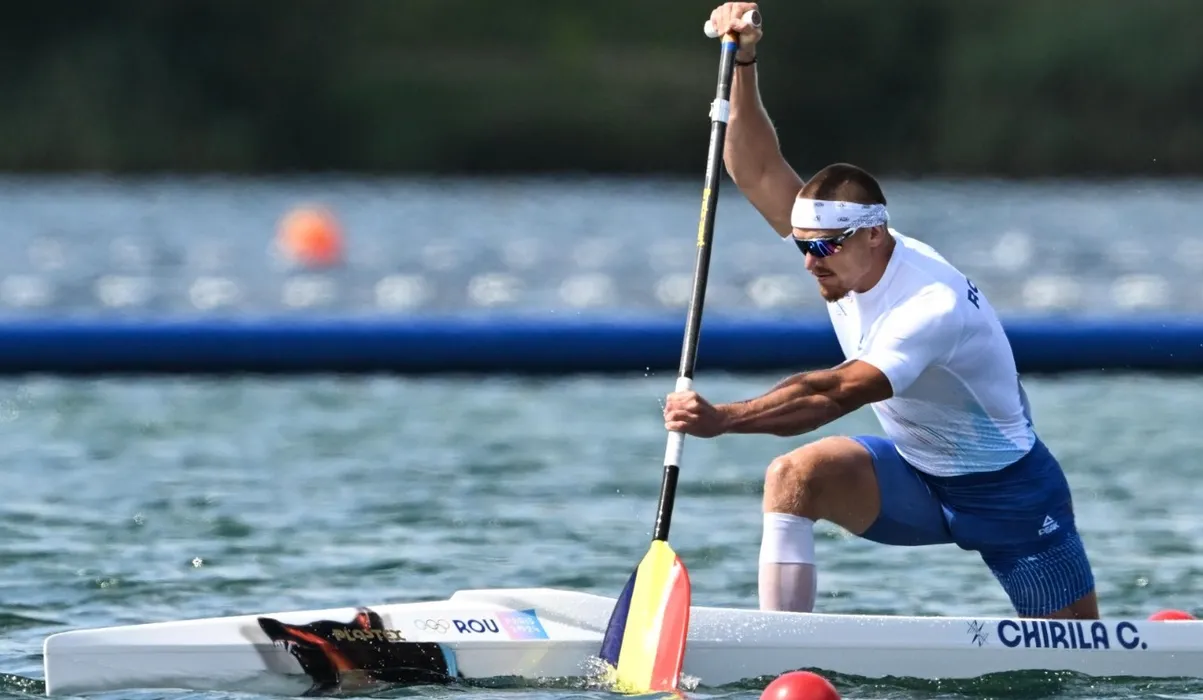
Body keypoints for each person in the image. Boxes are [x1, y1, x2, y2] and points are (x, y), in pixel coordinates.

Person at [661, 1, 1099, 620]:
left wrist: (723, 419)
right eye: (803, 246)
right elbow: (754, 168)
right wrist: (745, 61)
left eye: (824, 248)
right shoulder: (841, 250)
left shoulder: (929, 304)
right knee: (794, 477)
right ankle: (785, 648)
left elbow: (833, 394)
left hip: (1012, 496)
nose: (810, 262)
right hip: (914, 477)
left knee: (1074, 660)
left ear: (874, 235)